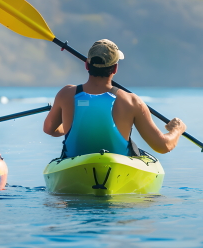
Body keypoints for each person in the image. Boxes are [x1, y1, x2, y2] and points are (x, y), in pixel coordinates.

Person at [43, 39, 186, 158]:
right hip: (116, 171)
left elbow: (49, 129)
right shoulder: (132, 101)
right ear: (115, 68)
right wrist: (177, 129)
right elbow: (163, 146)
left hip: (75, 168)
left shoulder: (66, 94)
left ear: (87, 64)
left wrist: (69, 127)